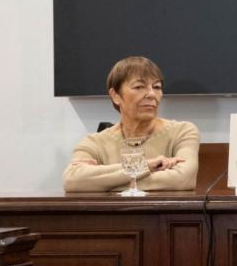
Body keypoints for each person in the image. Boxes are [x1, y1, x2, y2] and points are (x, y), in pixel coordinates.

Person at [62, 56, 200, 192]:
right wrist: (147, 166)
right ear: (115, 95)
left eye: (156, 87)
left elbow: (183, 179)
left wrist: (103, 183)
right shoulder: (95, 142)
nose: (152, 94)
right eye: (139, 86)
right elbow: (72, 181)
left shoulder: (182, 131)